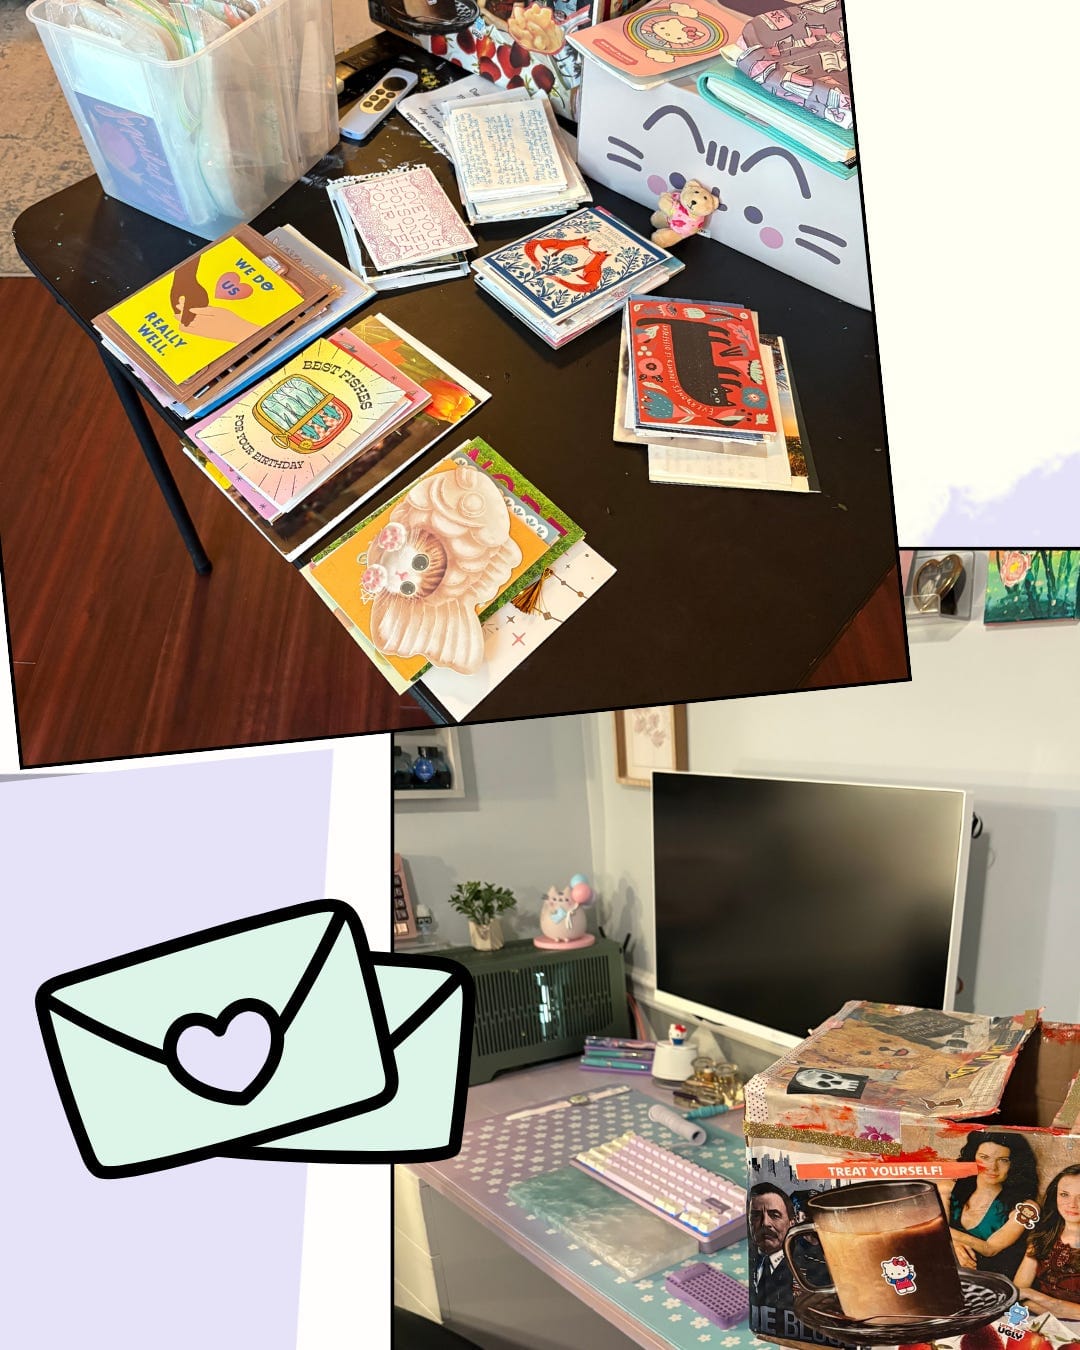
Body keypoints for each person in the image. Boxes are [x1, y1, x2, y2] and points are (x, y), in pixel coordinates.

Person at [945, 1131, 1039, 1278]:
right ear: (972, 1157)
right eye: (984, 1157)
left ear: (1014, 1164)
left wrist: (946, 1237)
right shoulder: (950, 1189)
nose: (992, 1167)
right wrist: (953, 1245)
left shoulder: (1027, 1207)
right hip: (948, 1273)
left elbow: (990, 1249)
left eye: (1003, 1160)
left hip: (990, 1283)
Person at [1015, 1164, 1080, 1322]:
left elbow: (1025, 1293)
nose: (1072, 1204)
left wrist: (1035, 1297)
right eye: (1064, 1194)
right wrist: (1056, 1311)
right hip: (1039, 1322)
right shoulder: (1043, 1235)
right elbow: (1017, 1292)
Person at [749, 1182, 796, 1311]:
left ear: (792, 1223)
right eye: (756, 1216)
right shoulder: (751, 1261)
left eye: (774, 1215)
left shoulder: (803, 1268)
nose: (765, 1223)